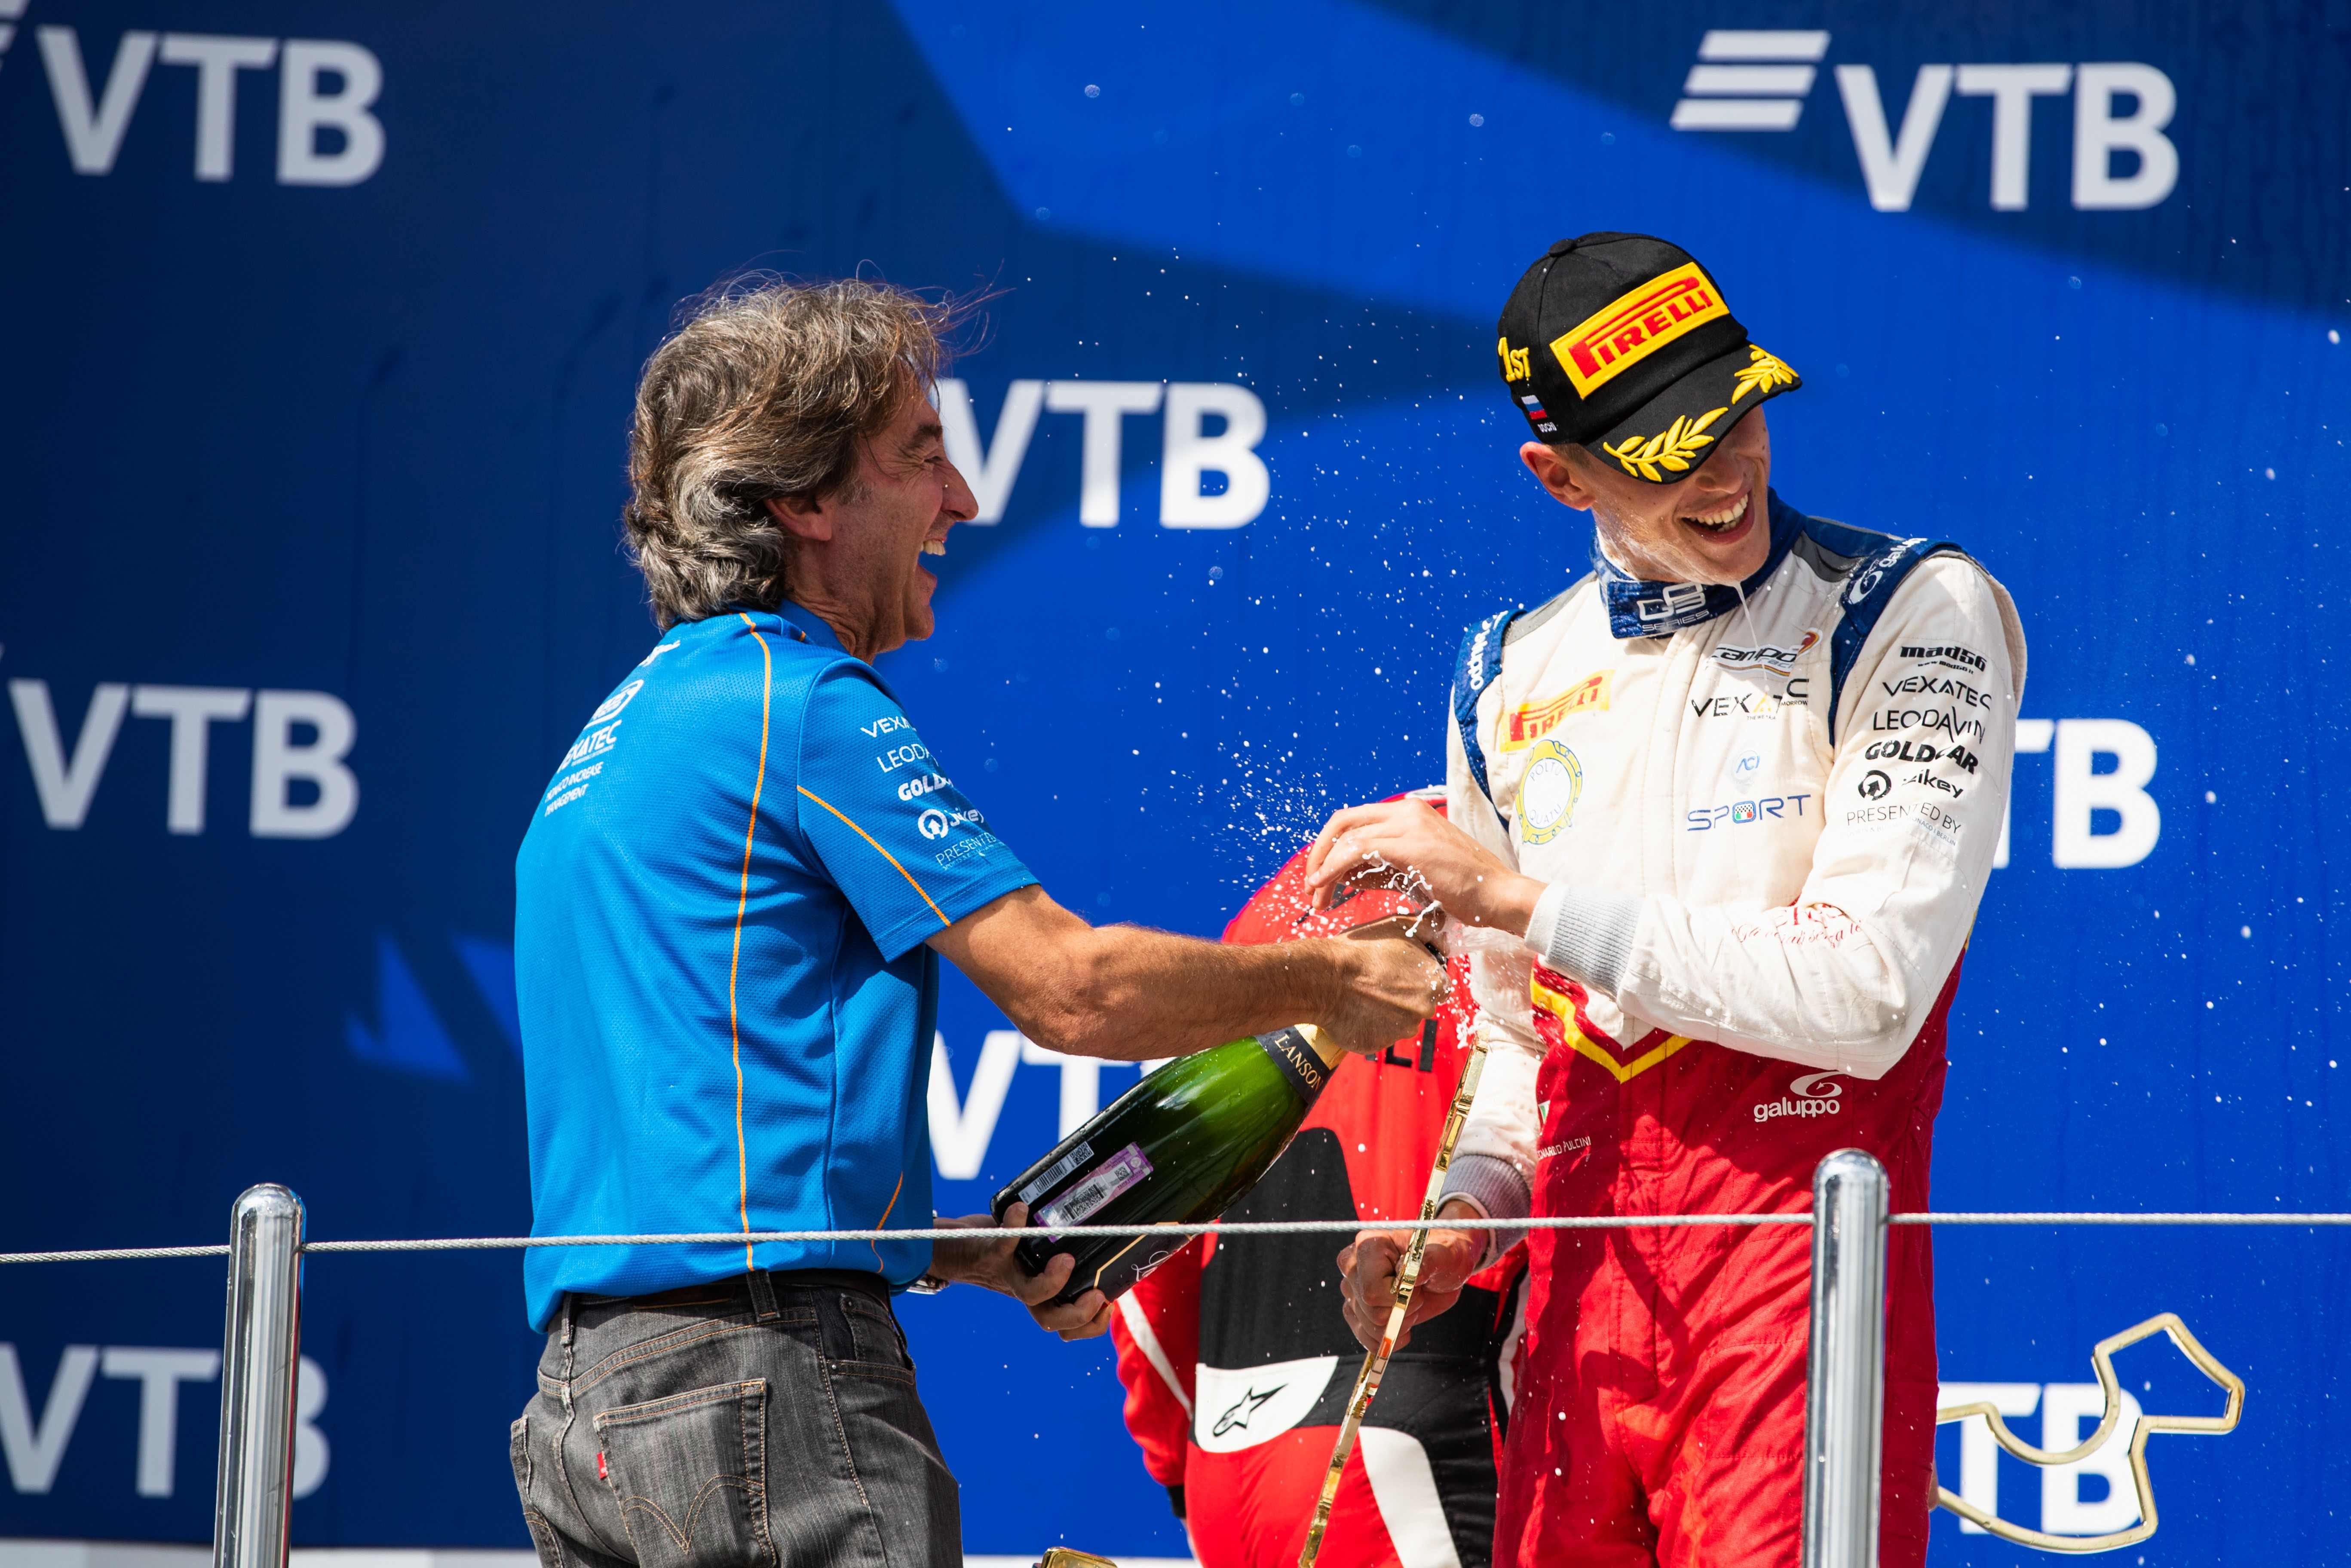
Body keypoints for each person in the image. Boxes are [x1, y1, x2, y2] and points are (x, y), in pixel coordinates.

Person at [505, 277, 1443, 1568]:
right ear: (806, 504)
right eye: (922, 456)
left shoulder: (617, 739)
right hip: (760, 1386)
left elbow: (680, 1165)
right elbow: (1071, 991)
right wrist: (1333, 982)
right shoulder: (799, 698)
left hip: (593, 1413)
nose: (964, 501)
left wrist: (955, 1249)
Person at [1305, 233, 2027, 1568]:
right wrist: (1464, 1213)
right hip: (1578, 1293)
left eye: (1739, 413)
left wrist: (1518, 898)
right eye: (1664, 448)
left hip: (1794, 1265)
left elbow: (1863, 995)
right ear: (1556, 473)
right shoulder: (1503, 671)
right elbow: (1522, 1046)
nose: (1726, 467)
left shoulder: (1908, 607)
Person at [1111, 793, 1522, 1568]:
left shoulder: (1286, 897)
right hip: (1430, 1440)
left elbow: (1154, 1245)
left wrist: (1181, 1462)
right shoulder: (1538, 889)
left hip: (1228, 1466)